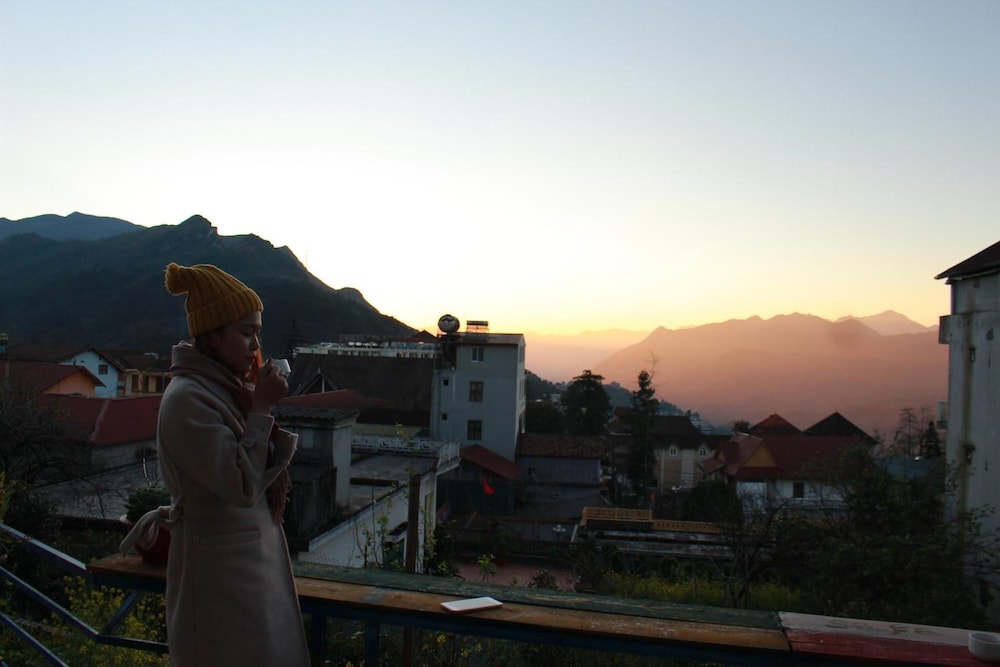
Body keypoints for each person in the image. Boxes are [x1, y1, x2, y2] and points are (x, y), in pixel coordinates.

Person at [123, 262, 310, 666]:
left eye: (257, 333)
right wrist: (262, 408)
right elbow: (240, 484)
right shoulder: (188, 398)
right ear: (211, 333)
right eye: (245, 332)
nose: (255, 345)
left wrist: (257, 403)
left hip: (243, 571)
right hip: (218, 578)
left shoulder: (226, 390)